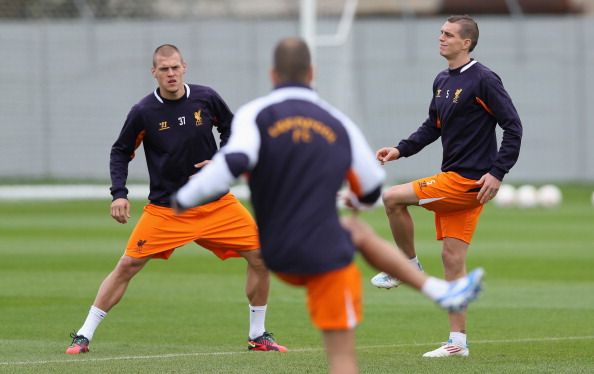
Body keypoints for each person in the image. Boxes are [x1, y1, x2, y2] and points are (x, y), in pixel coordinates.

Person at [172, 37, 484, 374]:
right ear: (312, 73)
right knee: (343, 348)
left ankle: (431, 283)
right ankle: (435, 288)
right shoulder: (336, 121)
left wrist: (183, 198)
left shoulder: (255, 115)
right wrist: (357, 198)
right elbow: (369, 189)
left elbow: (229, 164)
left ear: (273, 74)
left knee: (348, 231)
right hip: (327, 255)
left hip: (277, 251)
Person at [65, 44, 286, 354]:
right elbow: (120, 151)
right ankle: (84, 335)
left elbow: (235, 131)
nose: (170, 73)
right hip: (168, 210)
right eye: (163, 69)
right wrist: (119, 193)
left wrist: (222, 159)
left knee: (261, 257)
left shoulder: (205, 97)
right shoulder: (144, 112)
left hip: (217, 204)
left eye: (175, 67)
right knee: (128, 265)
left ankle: (258, 334)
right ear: (153, 73)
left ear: (185, 67)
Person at [370, 15, 522, 358]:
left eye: (449, 34)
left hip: (467, 181)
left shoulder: (484, 79)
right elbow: (432, 125)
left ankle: (407, 265)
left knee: (392, 198)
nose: (441, 38)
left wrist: (497, 173)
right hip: (458, 180)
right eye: (441, 32)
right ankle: (458, 343)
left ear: (466, 43)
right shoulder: (442, 80)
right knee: (452, 259)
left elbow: (513, 126)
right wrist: (400, 149)